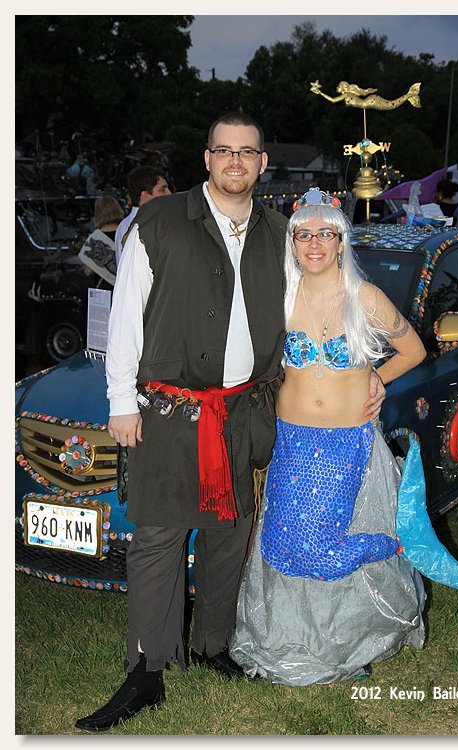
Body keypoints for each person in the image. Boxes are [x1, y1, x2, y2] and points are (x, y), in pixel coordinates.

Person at [74, 116, 386, 732]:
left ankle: (215, 646)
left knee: (228, 533)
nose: (235, 161)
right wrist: (120, 400)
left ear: (263, 162)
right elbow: (126, 313)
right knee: (159, 539)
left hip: (245, 413)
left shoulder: (280, 232)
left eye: (247, 152)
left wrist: (368, 367)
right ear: (207, 157)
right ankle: (147, 670)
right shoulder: (159, 223)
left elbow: (325, 300)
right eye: (224, 150)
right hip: (170, 411)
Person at [230, 187, 428, 685]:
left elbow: (414, 351)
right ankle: (294, 638)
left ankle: (383, 555)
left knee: (320, 545)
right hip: (291, 441)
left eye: (325, 233)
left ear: (341, 241)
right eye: (304, 234)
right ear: (293, 243)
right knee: (282, 545)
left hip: (347, 442)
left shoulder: (365, 298)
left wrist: (378, 378)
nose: (314, 243)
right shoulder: (281, 297)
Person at [114, 166, 172, 266]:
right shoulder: (139, 225)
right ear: (144, 195)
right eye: (162, 190)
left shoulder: (124, 225)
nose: (169, 193)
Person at [78, 195, 124, 288]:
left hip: (105, 290)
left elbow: (88, 271)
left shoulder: (96, 238)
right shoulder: (127, 233)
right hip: (126, 288)